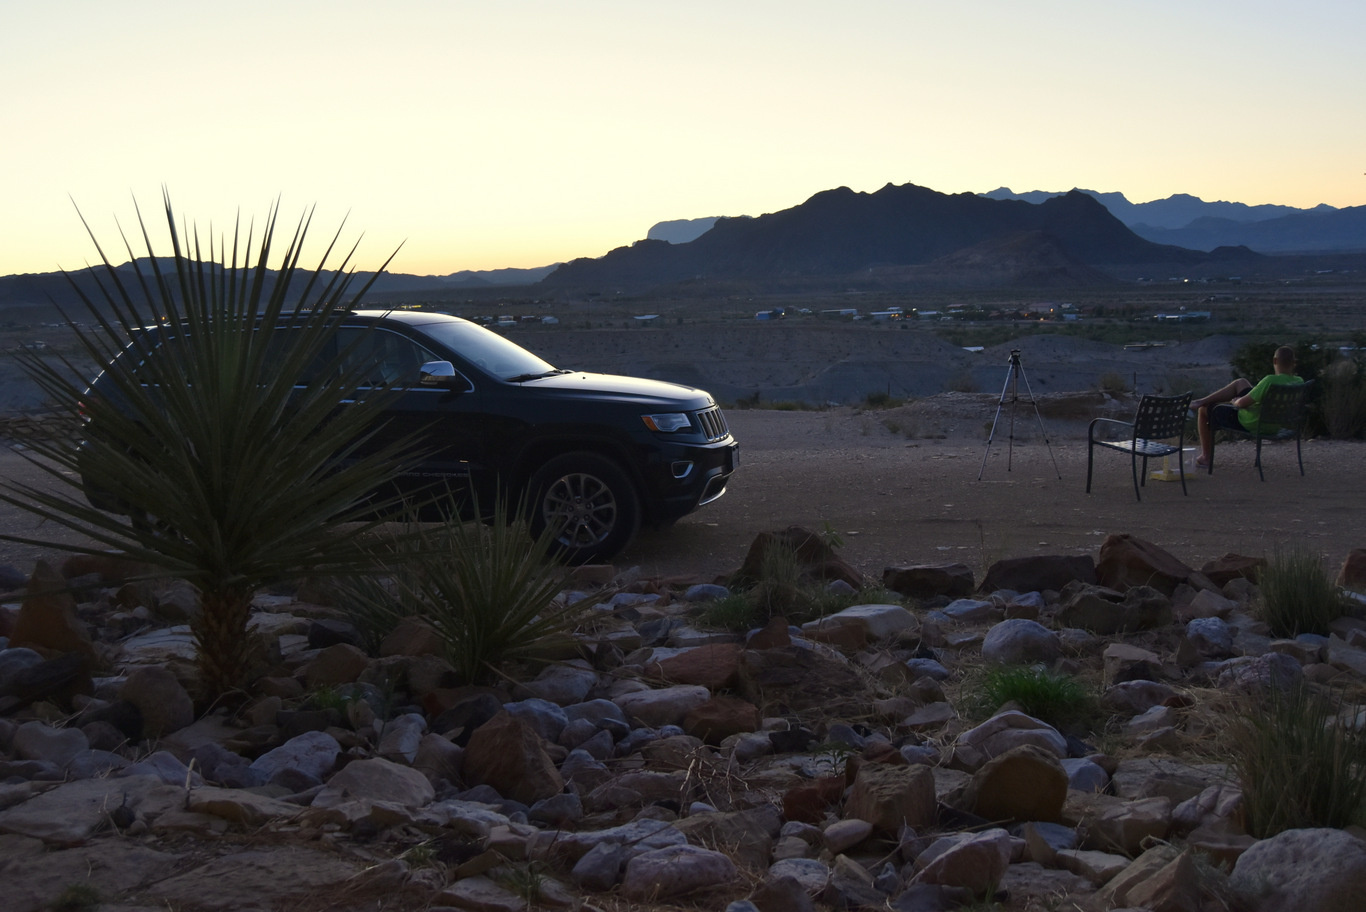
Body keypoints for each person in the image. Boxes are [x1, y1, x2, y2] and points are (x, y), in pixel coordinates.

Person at [1191, 345, 1303, 468]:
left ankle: (1206, 457)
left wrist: (1235, 402)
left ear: (1275, 361)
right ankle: (1202, 400)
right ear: (1294, 363)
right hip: (1274, 425)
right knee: (1241, 382)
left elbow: (1243, 404)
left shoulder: (1270, 381)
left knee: (1204, 410)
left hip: (1252, 422)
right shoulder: (1299, 381)